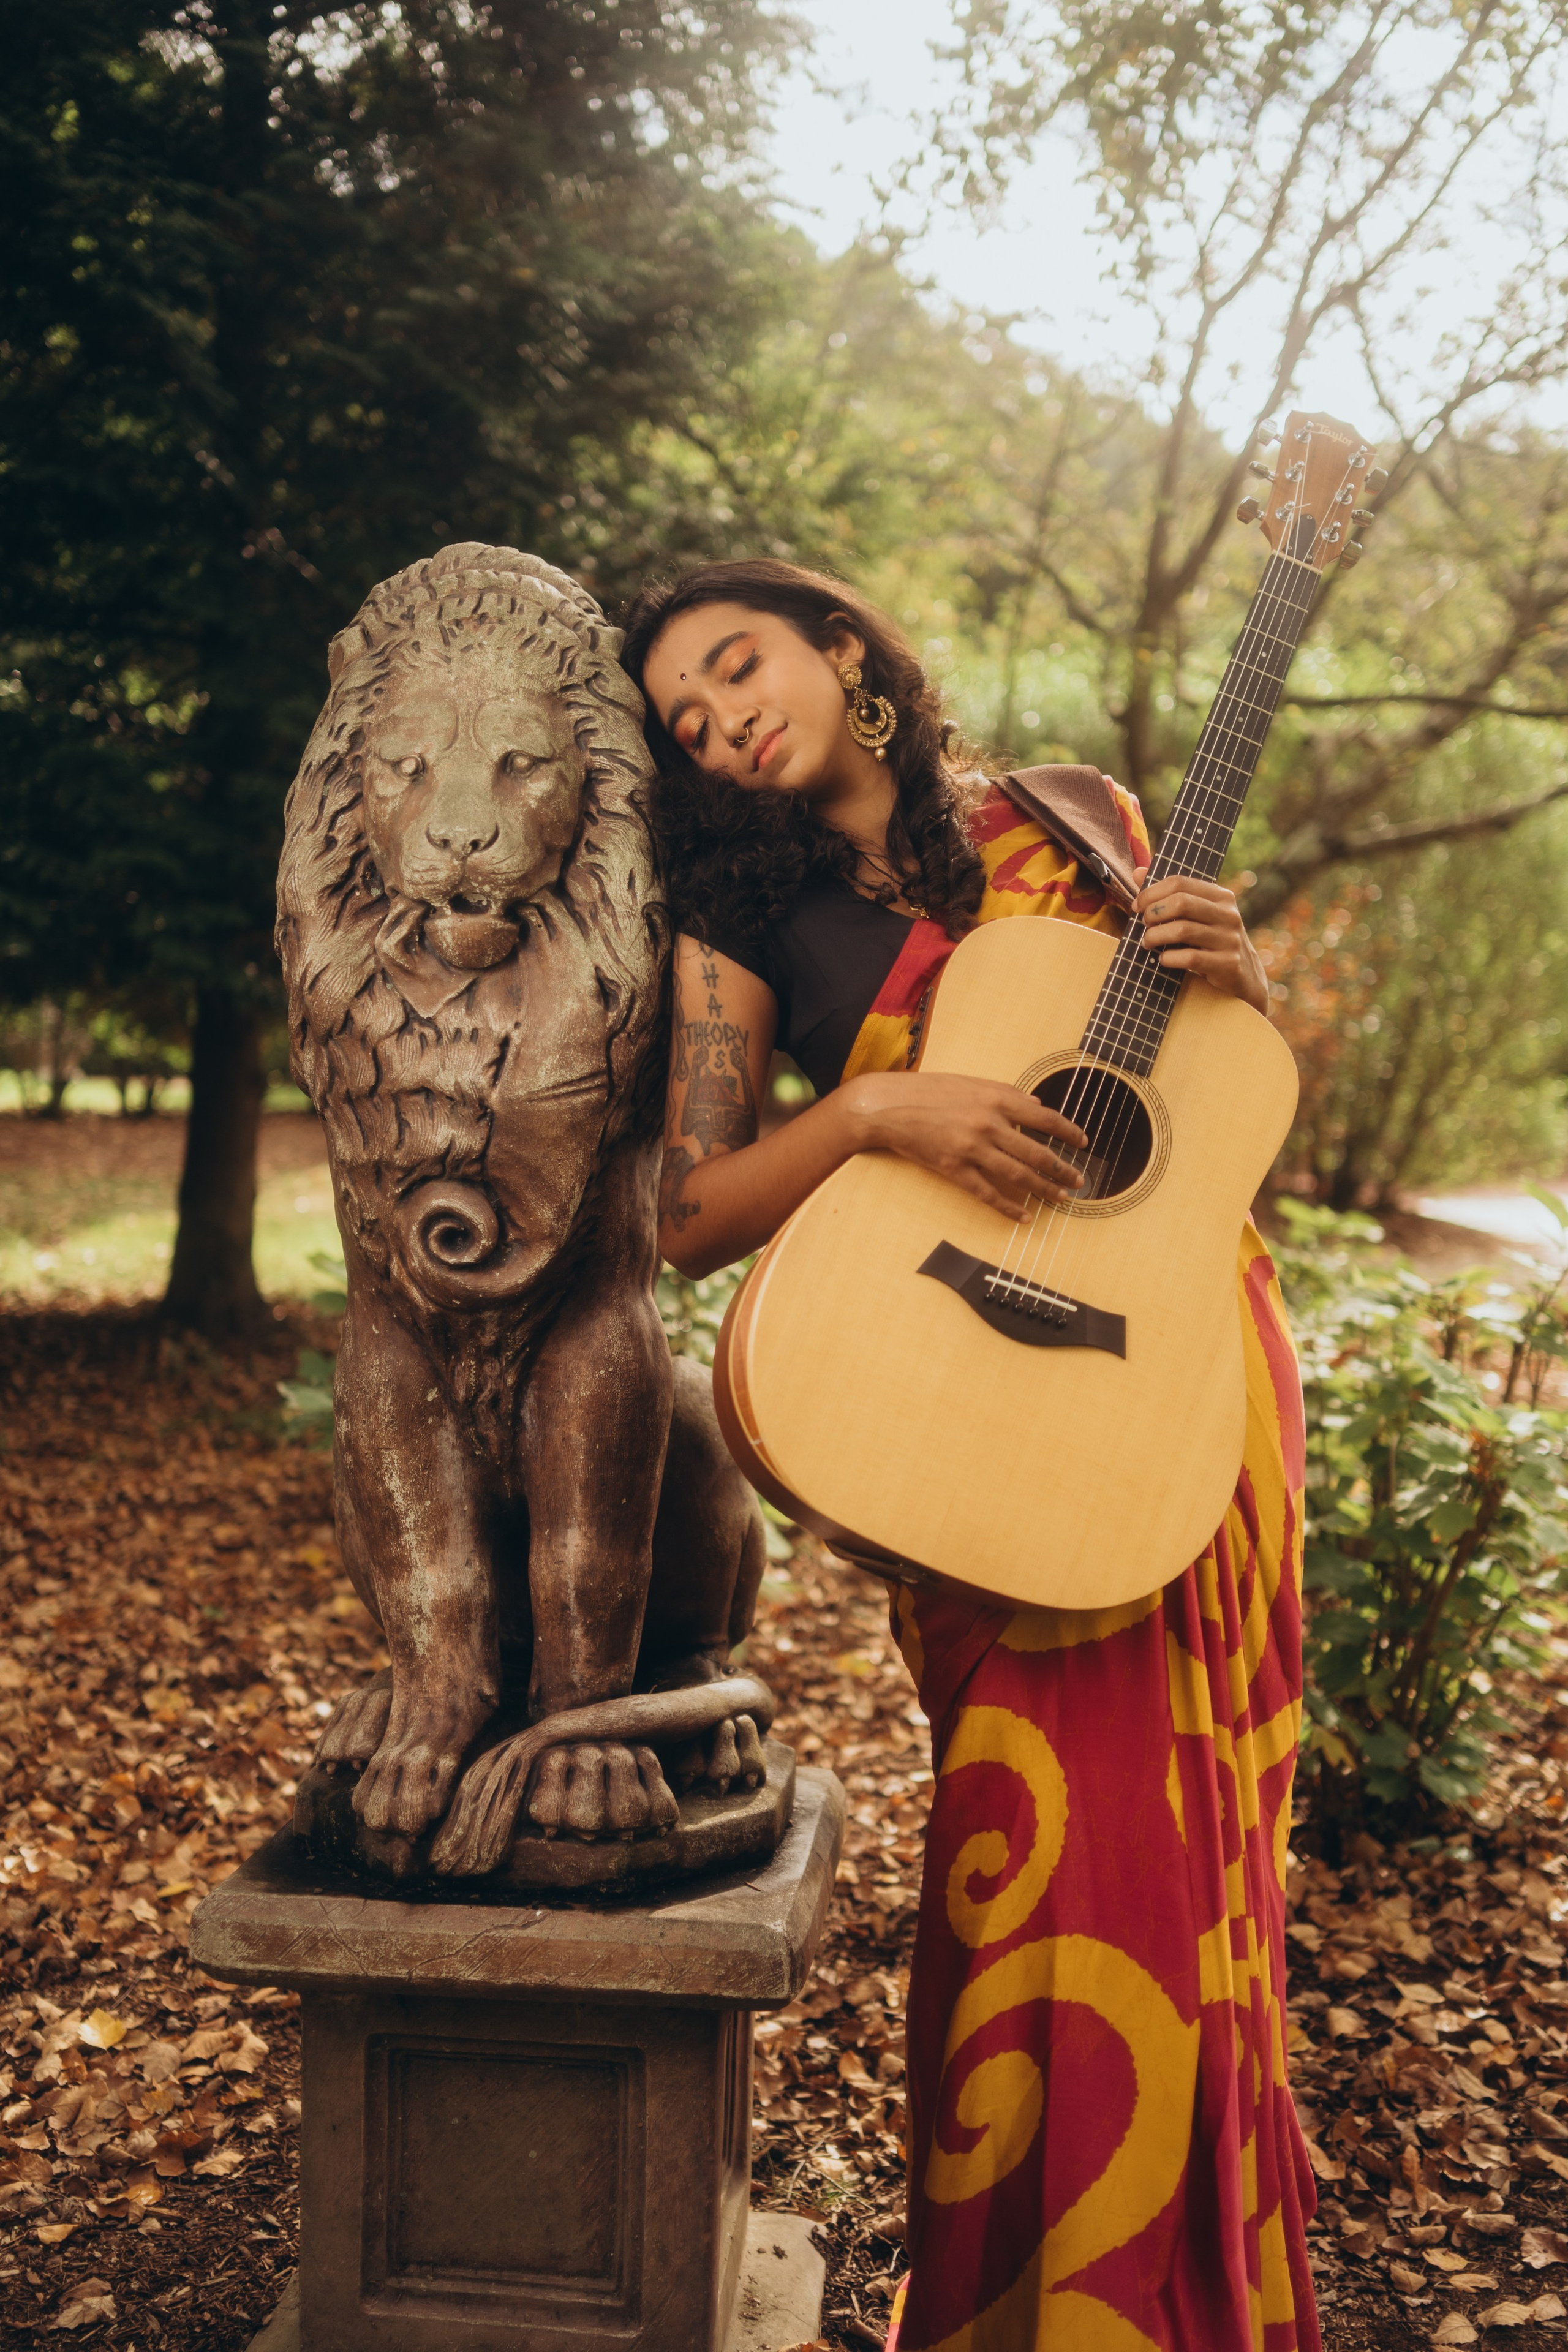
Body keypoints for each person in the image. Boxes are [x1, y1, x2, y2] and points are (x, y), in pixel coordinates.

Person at [620, 557, 1319, 2352]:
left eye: (736, 663)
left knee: (1199, 1874)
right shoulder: (738, 925)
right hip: (973, 1413)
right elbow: (686, 1212)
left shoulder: (1077, 826)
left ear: (841, 648)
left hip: (1179, 1376)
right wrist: (872, 1109)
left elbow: (1216, 1109)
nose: (720, 716)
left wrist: (1239, 977)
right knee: (1033, 1858)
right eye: (687, 716)